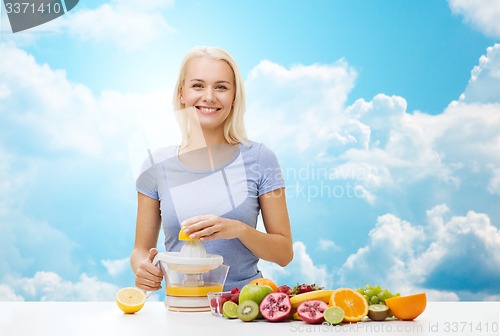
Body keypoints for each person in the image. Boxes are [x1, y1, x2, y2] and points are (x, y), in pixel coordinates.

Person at [130, 46, 293, 291]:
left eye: (221, 87)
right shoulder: (155, 166)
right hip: (181, 308)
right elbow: (141, 250)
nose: (209, 96)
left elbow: (284, 253)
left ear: (235, 96)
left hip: (243, 309)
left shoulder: (260, 158)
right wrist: (144, 268)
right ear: (181, 93)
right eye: (198, 85)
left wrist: (238, 229)